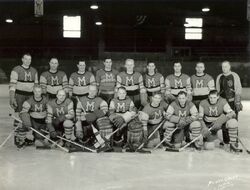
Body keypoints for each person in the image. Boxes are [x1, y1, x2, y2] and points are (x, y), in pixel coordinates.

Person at [9, 53, 38, 146]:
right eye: (26, 59)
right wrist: (12, 98)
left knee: (27, 117)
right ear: (22, 59)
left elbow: (36, 86)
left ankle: (23, 138)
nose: (28, 61)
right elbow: (12, 86)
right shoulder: (16, 69)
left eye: (30, 59)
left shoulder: (34, 70)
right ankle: (17, 138)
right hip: (19, 96)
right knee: (18, 116)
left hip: (30, 97)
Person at [216, 60, 242, 144]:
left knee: (233, 121)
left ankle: (234, 140)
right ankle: (226, 141)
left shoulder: (234, 75)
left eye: (226, 66)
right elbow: (217, 91)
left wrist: (237, 102)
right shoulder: (219, 77)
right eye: (223, 66)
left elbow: (238, 89)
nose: (224, 68)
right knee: (224, 122)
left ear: (230, 67)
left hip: (232, 102)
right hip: (223, 103)